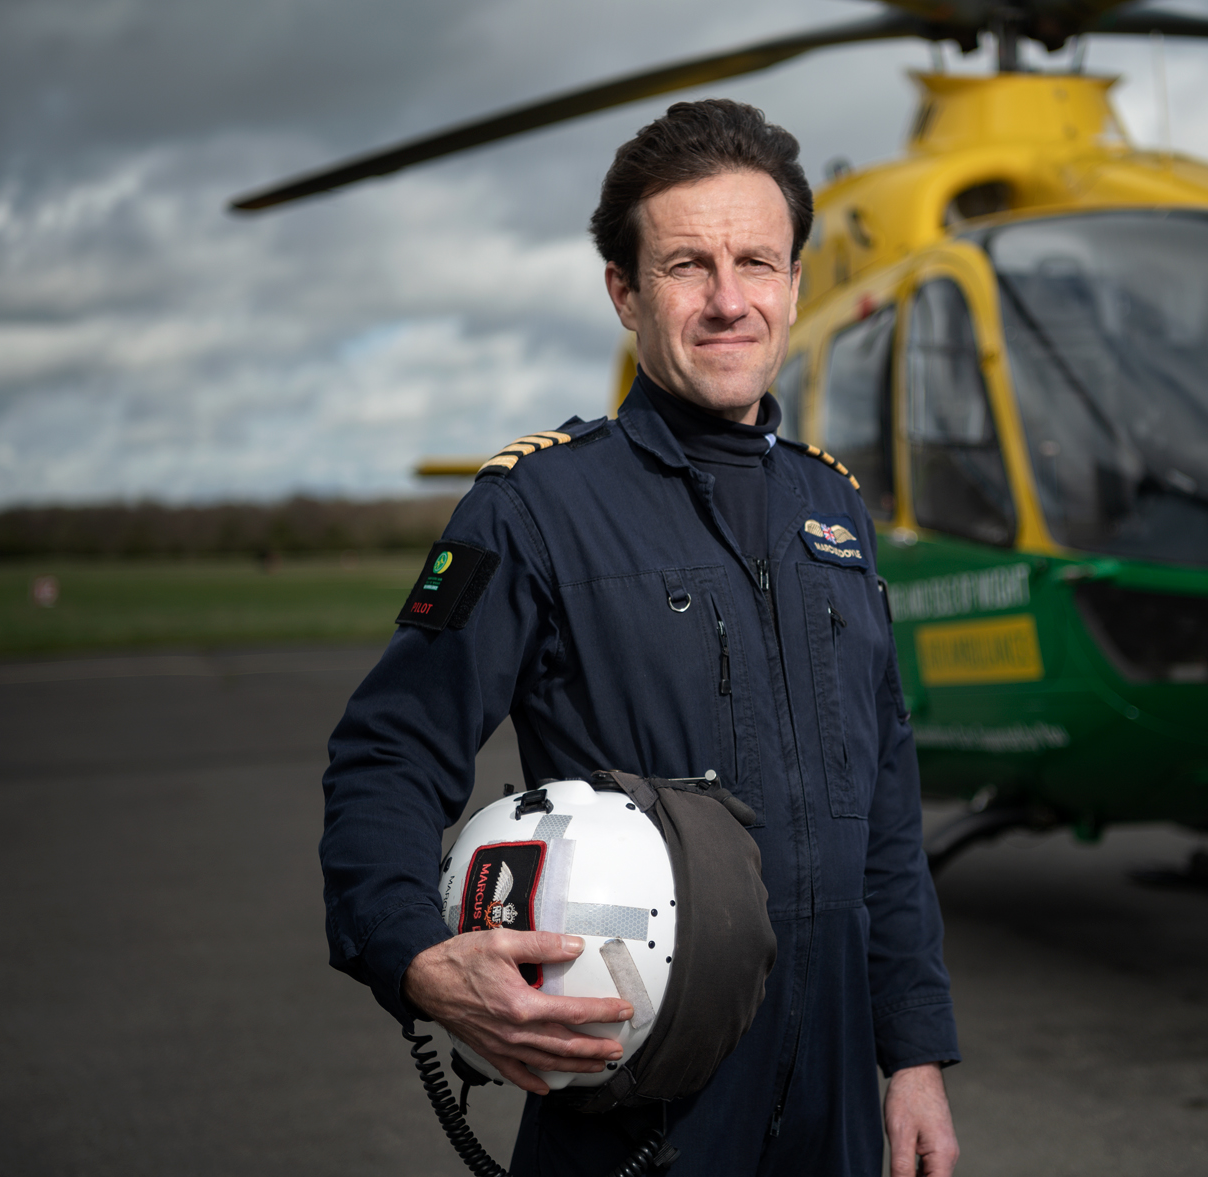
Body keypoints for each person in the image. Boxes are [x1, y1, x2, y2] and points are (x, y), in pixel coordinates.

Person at [320, 98, 959, 1177]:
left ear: (795, 284)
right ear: (624, 292)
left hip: (840, 1110)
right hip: (642, 1111)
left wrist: (914, 1056)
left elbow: (883, 804)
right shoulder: (534, 509)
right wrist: (418, 956)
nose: (727, 301)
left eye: (757, 262)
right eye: (685, 266)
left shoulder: (834, 514)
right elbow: (391, 751)